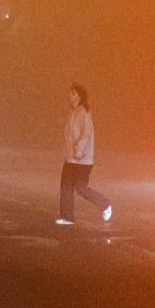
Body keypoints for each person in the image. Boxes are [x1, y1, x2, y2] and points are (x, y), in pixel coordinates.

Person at [55, 83, 112, 226]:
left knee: (80, 188)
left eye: (73, 93)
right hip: (71, 158)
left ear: (80, 96)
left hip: (82, 160)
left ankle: (105, 204)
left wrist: (80, 151)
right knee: (65, 186)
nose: (70, 96)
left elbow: (86, 134)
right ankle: (67, 217)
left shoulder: (83, 113)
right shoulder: (72, 113)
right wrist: (69, 152)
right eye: (70, 93)